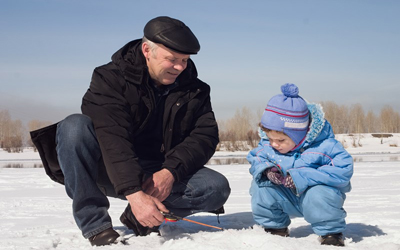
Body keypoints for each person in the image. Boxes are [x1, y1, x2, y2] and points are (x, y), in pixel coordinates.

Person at [30, 16, 230, 246]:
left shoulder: (196, 90)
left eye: (185, 60)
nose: (180, 67)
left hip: (159, 169)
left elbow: (204, 137)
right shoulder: (109, 79)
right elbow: (112, 137)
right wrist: (134, 192)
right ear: (147, 50)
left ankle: (140, 218)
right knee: (74, 127)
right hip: (108, 169)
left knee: (215, 187)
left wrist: (169, 173)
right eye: (172, 59)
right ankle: (96, 225)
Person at [247, 83, 353, 246]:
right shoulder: (268, 146)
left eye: (281, 140)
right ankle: (275, 227)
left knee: (319, 194)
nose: (274, 144)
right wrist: (267, 170)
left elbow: (342, 170)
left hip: (315, 199)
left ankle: (330, 232)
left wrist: (302, 177)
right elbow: (256, 157)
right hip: (286, 197)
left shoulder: (326, 146)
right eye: (270, 139)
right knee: (260, 187)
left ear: (299, 134)